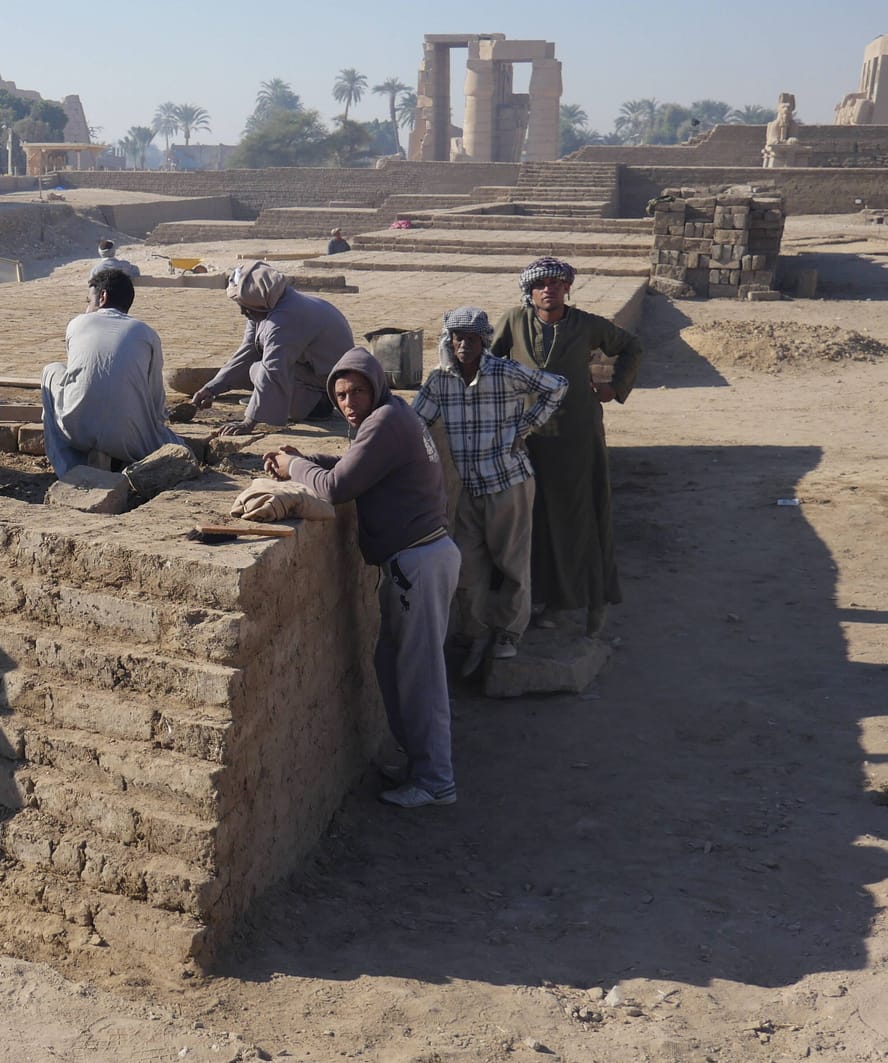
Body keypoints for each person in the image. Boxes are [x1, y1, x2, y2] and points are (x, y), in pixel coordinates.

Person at [265, 349, 459, 808]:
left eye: (356, 391)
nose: (349, 402)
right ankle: (421, 766)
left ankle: (436, 781)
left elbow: (337, 487)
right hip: (419, 560)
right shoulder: (389, 417)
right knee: (393, 667)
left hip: (419, 563)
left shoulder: (386, 421)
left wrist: (295, 468)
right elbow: (356, 463)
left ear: (375, 385)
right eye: (340, 395)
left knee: (419, 676)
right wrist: (307, 456)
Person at [489, 257, 643, 637]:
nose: (549, 289)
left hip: (577, 437)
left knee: (580, 516)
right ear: (530, 290)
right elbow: (489, 363)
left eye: (556, 283)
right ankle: (539, 600)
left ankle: (584, 600)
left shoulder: (586, 325)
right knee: (533, 519)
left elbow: (631, 346)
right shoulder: (514, 321)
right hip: (529, 440)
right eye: (541, 284)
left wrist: (615, 388)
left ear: (567, 288)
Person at [411, 306, 568, 673]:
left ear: (484, 342)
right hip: (468, 489)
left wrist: (526, 427)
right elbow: (414, 421)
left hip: (507, 483)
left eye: (470, 339)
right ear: (448, 342)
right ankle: (475, 632)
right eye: (456, 338)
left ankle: (509, 633)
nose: (463, 345)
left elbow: (558, 385)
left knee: (512, 564)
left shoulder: (505, 372)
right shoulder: (440, 380)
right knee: (466, 568)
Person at [41, 268, 190, 476]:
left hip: (78, 434)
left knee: (51, 371)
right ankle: (122, 462)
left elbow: (78, 379)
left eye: (88, 300)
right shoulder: (146, 334)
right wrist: (154, 430)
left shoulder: (76, 324)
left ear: (102, 297)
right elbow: (156, 399)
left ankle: (71, 468)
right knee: (180, 450)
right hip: (132, 442)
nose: (86, 308)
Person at [191, 261, 353, 436]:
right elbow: (246, 352)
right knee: (252, 367)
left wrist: (250, 421)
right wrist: (211, 388)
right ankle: (269, 401)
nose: (243, 312)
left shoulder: (285, 318)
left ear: (258, 302)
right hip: (309, 376)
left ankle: (283, 405)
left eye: (244, 307)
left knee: (258, 370)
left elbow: (272, 370)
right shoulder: (268, 306)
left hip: (323, 397)